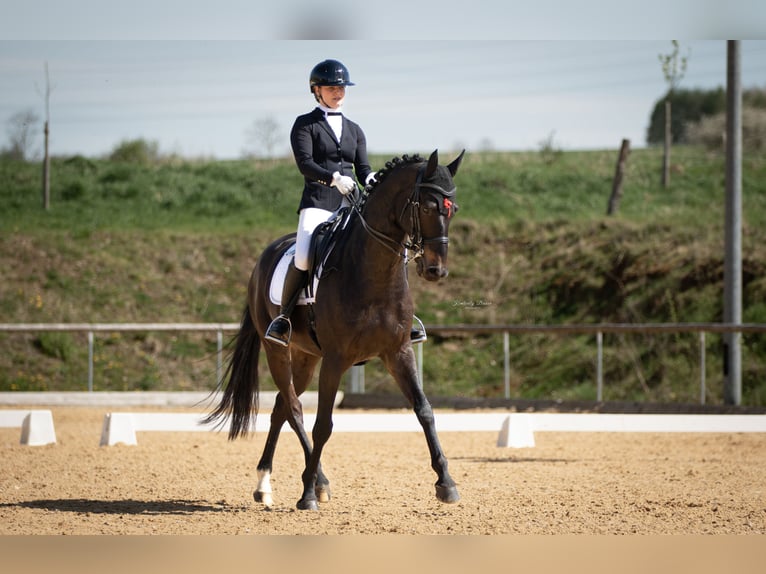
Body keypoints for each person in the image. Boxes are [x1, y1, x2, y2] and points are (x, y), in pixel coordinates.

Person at [264, 59, 426, 347]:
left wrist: (374, 180)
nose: (337, 92)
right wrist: (333, 178)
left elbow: (363, 170)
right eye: (330, 87)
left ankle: (405, 317)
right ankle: (284, 319)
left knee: (394, 250)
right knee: (302, 256)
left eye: (341, 87)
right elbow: (306, 164)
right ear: (316, 90)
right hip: (318, 201)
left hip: (353, 204)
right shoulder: (305, 125)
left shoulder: (354, 129)